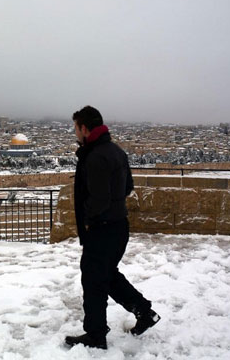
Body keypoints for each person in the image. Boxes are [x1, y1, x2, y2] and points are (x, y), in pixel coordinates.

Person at [65, 106, 160, 350]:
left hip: (102, 228)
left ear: (85, 128)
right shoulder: (115, 150)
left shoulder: (95, 155)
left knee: (94, 280)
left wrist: (87, 217)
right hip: (118, 226)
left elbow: (100, 198)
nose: (74, 132)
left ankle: (96, 335)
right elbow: (128, 186)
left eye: (76, 128)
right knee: (106, 275)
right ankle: (145, 313)